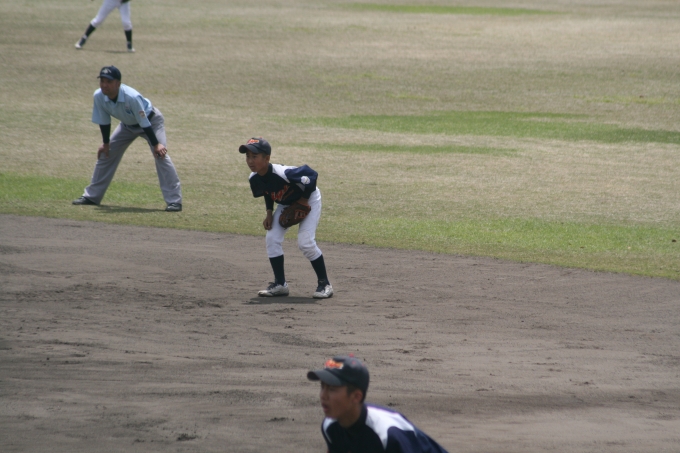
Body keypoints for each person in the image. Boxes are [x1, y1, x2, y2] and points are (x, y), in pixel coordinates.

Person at [72, 66, 182, 212]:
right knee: (106, 153)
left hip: (151, 122)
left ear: (118, 83)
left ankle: (174, 201)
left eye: (109, 82)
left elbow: (144, 122)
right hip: (127, 126)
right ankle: (92, 196)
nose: (104, 85)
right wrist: (106, 143)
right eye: (102, 81)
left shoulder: (131, 97)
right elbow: (104, 121)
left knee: (160, 155)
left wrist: (156, 145)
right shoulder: (99, 96)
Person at [240, 137, 333, 299]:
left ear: (267, 158)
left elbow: (312, 175)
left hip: (309, 197)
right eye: (248, 156)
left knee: (305, 242)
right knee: (272, 238)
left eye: (255, 156)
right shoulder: (254, 178)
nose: (250, 161)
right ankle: (280, 284)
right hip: (286, 203)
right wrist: (269, 213)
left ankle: (325, 284)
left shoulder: (284, 173)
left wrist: (303, 200)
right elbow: (267, 192)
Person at [307, 356, 450, 453]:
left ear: (356, 396)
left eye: (332, 389)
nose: (323, 395)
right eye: (322, 387)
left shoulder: (387, 434)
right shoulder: (330, 426)